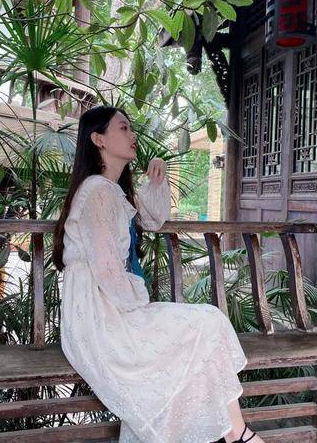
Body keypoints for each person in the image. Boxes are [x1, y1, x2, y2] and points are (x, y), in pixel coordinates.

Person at [52, 106, 263, 443]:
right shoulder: (97, 191)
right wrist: (140, 301)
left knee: (204, 327)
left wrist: (157, 178)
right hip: (101, 318)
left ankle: (237, 434)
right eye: (123, 128)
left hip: (110, 307)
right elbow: (107, 272)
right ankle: (238, 434)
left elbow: (153, 218)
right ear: (98, 139)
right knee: (206, 323)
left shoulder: (111, 190)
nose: (132, 134)